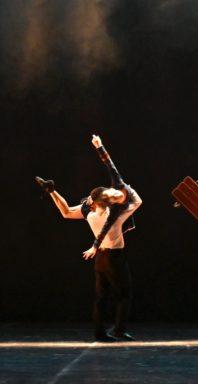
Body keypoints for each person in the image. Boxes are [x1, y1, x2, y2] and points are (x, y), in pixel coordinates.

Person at [35, 135, 142, 342]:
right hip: (114, 258)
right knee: (125, 294)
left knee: (101, 297)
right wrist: (125, 187)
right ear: (104, 201)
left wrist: (52, 192)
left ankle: (99, 333)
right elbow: (137, 200)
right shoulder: (116, 213)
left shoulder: (89, 211)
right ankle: (119, 329)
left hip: (100, 259)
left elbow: (65, 212)